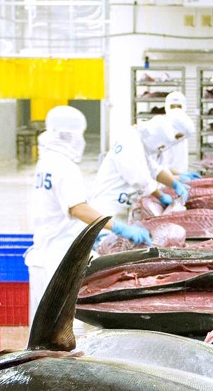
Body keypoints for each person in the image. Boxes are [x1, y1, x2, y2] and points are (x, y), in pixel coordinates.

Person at [28, 105, 149, 317]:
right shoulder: (64, 166)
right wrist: (117, 227)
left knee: (42, 322)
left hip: (44, 253)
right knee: (59, 323)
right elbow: (78, 208)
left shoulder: (46, 161)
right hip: (60, 258)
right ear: (71, 136)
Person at [89, 111, 194, 223]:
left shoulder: (139, 142)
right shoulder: (130, 141)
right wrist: (161, 196)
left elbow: (153, 169)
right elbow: (140, 178)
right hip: (108, 206)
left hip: (122, 205)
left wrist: (175, 184)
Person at [160, 91, 198, 179]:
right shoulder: (160, 133)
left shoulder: (184, 125)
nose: (176, 110)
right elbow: (158, 170)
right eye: (172, 107)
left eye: (179, 107)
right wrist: (178, 178)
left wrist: (181, 175)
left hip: (176, 173)